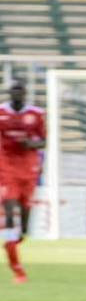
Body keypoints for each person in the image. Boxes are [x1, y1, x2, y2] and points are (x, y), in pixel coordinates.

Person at [0, 80, 45, 284]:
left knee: (25, 217)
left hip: (28, 167)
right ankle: (16, 266)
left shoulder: (36, 114)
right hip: (7, 166)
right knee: (9, 210)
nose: (16, 93)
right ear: (9, 93)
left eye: (20, 90)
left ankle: (17, 237)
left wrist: (32, 144)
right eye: (14, 90)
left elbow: (44, 141)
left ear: (25, 93)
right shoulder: (1, 113)